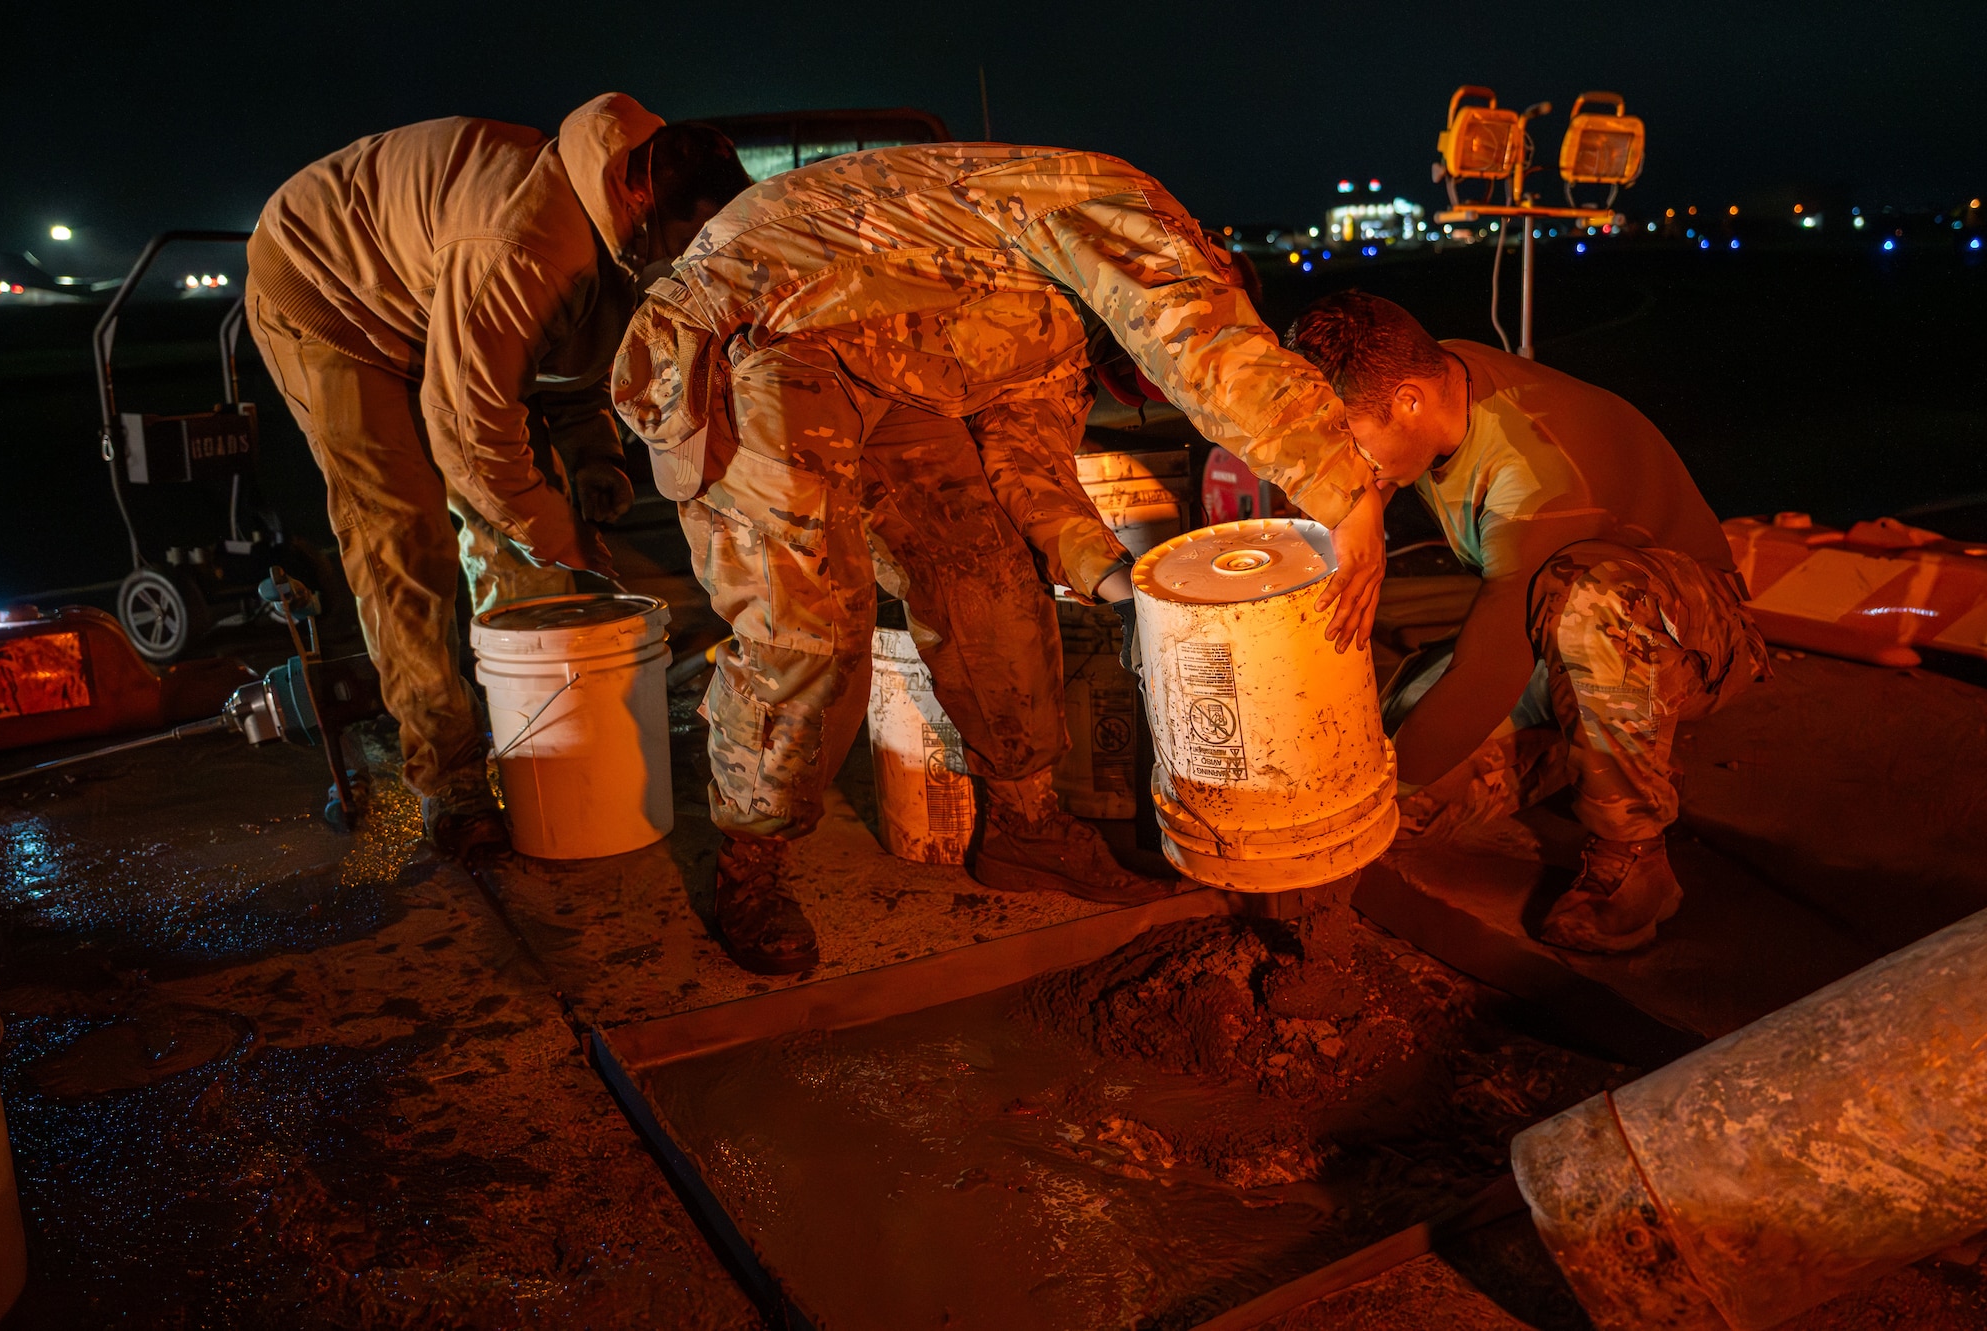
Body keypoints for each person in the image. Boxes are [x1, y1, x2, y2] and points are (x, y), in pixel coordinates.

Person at [612, 143, 1385, 974]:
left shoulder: (1054, 327)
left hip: (894, 370)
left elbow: (1032, 474)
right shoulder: (1114, 203)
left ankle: (1024, 824)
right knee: (811, 622)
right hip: (760, 323)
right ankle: (750, 860)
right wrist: (1348, 491)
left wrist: (1127, 593)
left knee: (991, 580)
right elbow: (1196, 338)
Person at [245, 95, 751, 855]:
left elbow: (566, 354)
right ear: (648, 204)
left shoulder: (621, 213)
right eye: (690, 241)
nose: (693, 259)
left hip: (434, 303)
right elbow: (469, 435)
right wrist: (564, 540)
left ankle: (533, 738)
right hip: (331, 294)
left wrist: (592, 457)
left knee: (520, 524)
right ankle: (445, 773)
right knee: (403, 531)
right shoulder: (525, 241)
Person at [1286, 291, 1768, 953]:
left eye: (1352, 443)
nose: (1350, 461)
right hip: (1550, 635)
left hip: (1686, 634)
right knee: (1408, 807)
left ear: (1407, 401)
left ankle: (1635, 858)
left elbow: (1490, 669)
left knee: (1583, 601)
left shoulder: (1536, 475)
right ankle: (1600, 748)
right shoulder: (1437, 378)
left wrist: (1370, 795)